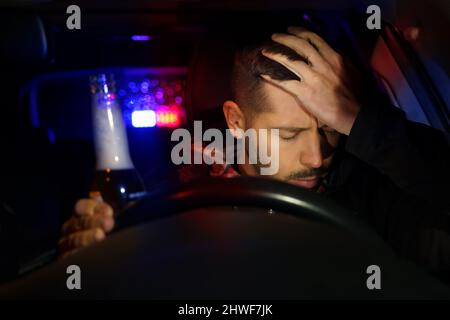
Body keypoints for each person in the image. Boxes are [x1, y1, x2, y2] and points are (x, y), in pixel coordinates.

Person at [59, 27, 450, 281]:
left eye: (331, 129)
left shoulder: (376, 189)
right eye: (289, 133)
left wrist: (362, 120)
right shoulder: (168, 189)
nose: (317, 156)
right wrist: (87, 259)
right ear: (235, 120)